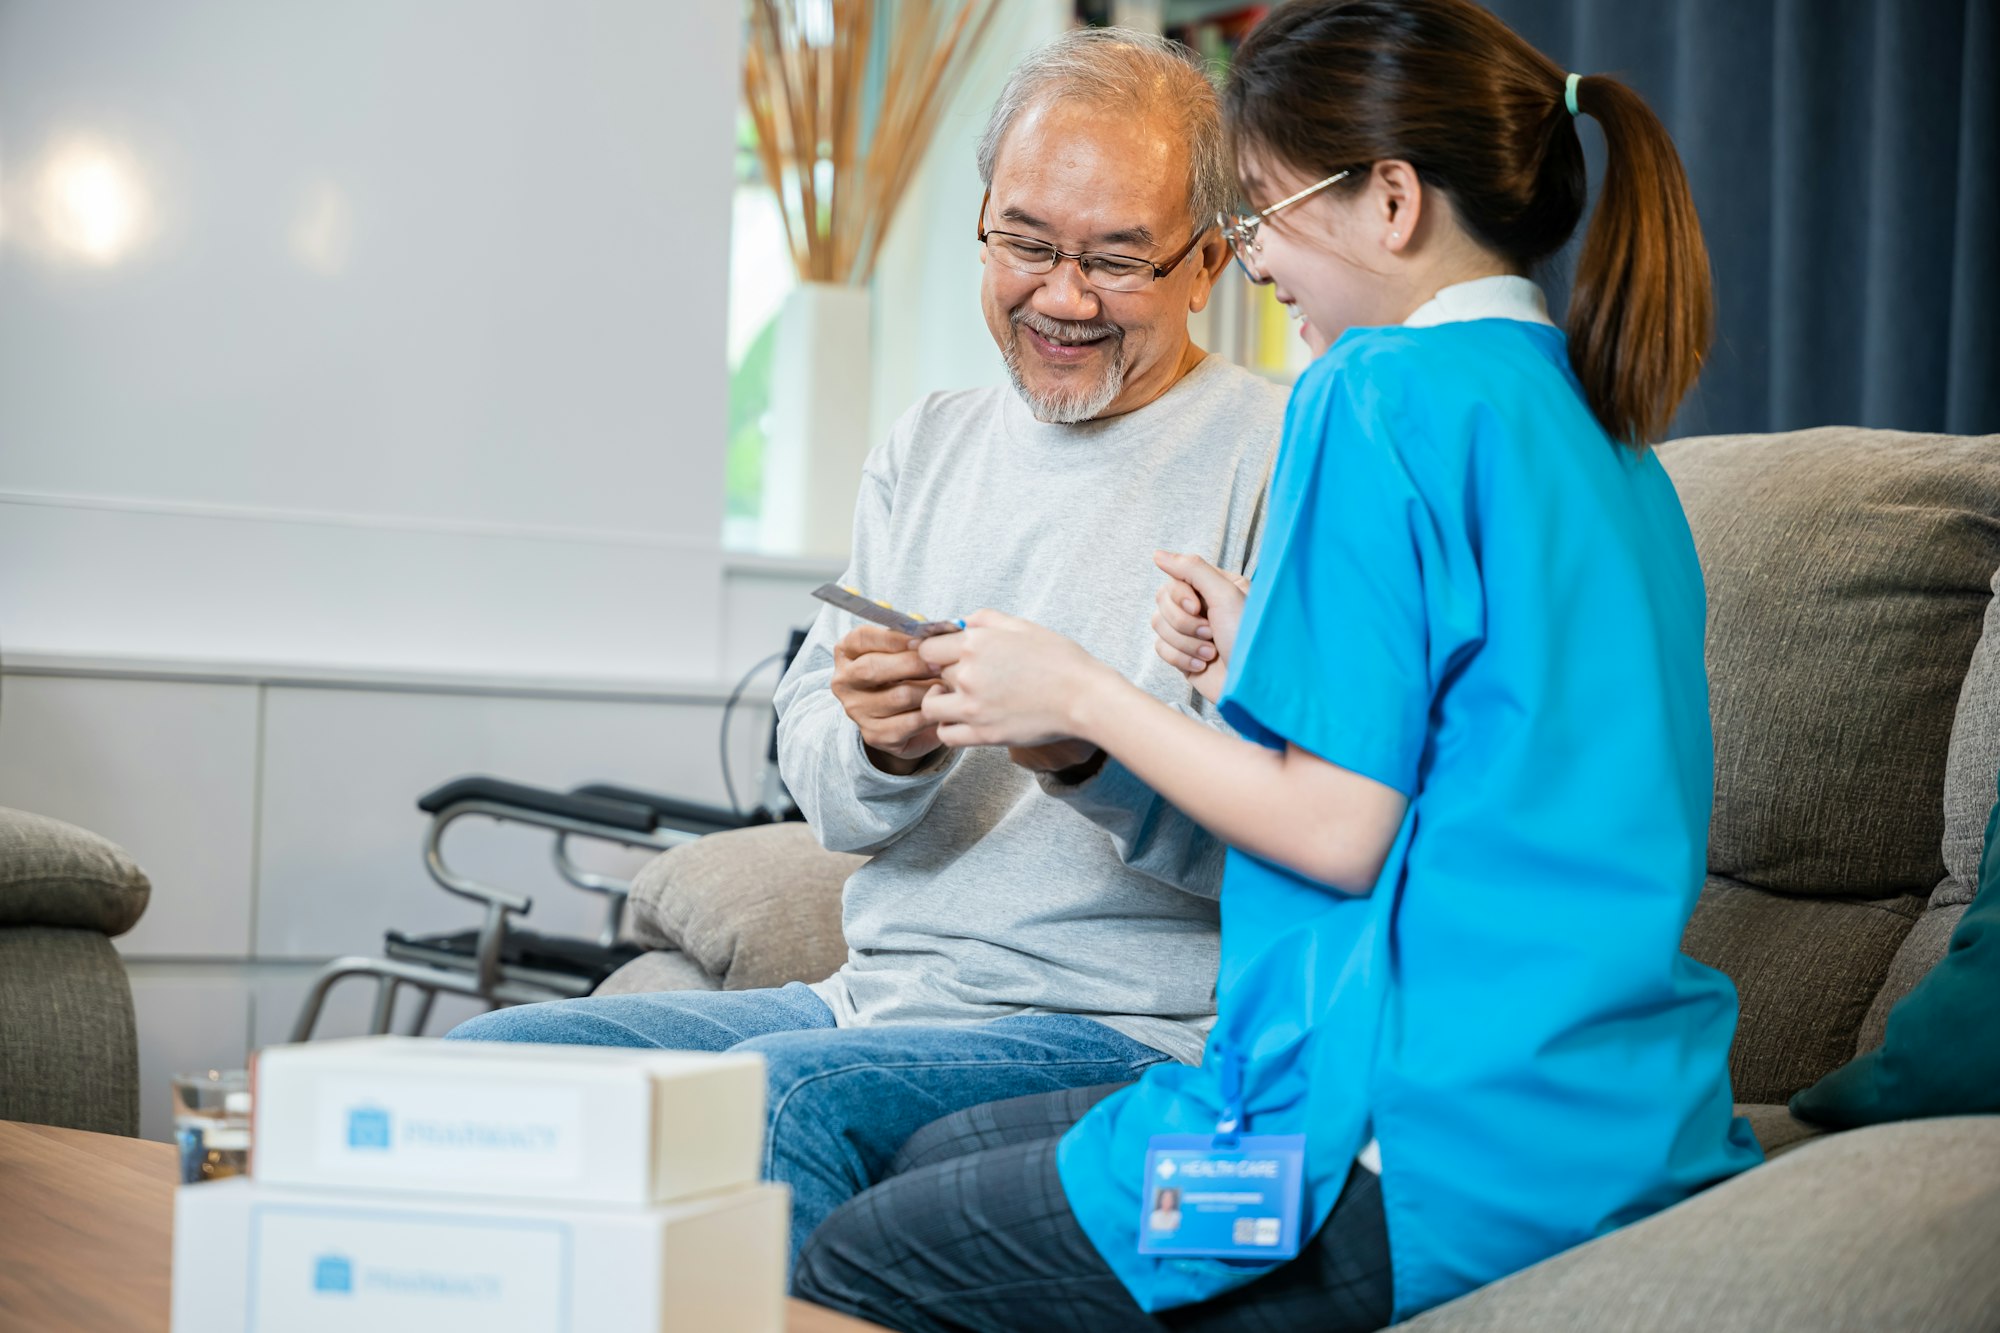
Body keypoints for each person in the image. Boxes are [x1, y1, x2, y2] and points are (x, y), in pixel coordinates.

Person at [789, 1, 1762, 1327]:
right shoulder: (1597, 419)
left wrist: (1081, 696)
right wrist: (1265, 648)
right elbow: (1499, 731)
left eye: (1259, 212)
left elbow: (1337, 831)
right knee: (936, 1158)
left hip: (1374, 1150)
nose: (1247, 264)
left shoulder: (1372, 392)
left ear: (1395, 202)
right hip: (1611, 1127)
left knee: (859, 1252)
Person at [446, 28, 1288, 1261]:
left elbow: (1296, 836)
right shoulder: (928, 443)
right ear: (983, 223)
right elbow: (825, 780)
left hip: (1126, 1023)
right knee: (484, 1068)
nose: (1060, 297)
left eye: (1115, 260)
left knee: (782, 1096)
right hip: (873, 998)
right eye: (1026, 244)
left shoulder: (1280, 456)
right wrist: (879, 749)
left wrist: (1084, 754)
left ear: (1206, 261)